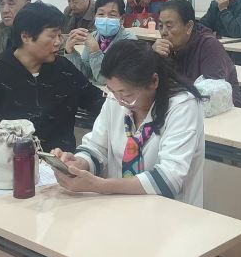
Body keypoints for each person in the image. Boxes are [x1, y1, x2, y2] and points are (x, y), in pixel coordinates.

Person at [53, 39, 206, 205]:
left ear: (154, 81)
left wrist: (100, 185)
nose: (120, 102)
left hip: (170, 211)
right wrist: (79, 164)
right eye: (113, 91)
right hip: (120, 206)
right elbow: (97, 147)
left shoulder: (182, 106)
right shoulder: (116, 98)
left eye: (127, 95)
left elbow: (169, 178)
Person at [0, 2, 105, 152]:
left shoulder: (64, 70)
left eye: (59, 35)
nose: (58, 42)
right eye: (52, 36)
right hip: (11, 161)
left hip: (59, 162)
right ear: (26, 36)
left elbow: (99, 103)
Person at [154, 0, 241, 107]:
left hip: (221, 110)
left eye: (169, 26)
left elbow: (211, 94)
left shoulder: (209, 46)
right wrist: (152, 58)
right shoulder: (164, 50)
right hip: (181, 108)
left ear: (189, 27)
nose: (163, 32)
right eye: (160, 26)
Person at [63, 0, 137, 84]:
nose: (106, 18)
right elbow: (85, 73)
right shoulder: (93, 36)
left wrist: (95, 51)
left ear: (122, 19)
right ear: (95, 17)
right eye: (101, 14)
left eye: (112, 15)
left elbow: (107, 80)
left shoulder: (129, 40)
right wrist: (70, 52)